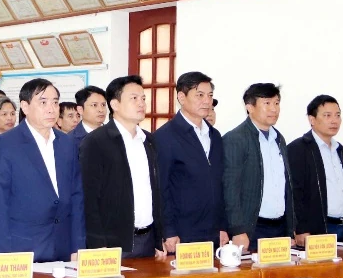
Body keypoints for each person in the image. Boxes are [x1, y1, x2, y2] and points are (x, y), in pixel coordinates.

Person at [0, 78, 84, 262]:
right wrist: (2, 256)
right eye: (43, 102)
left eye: (55, 102)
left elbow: (77, 196)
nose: (51, 109)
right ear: (25, 106)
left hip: (62, 247)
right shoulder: (4, 144)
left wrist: (77, 246)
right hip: (21, 249)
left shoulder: (67, 143)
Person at [80, 76, 165, 260]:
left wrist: (159, 239)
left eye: (143, 98)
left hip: (148, 240)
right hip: (113, 243)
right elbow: (89, 198)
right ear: (115, 104)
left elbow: (155, 192)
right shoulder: (96, 142)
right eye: (134, 98)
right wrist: (98, 244)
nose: (141, 103)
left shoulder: (149, 140)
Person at [154, 72, 228, 251]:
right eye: (200, 95)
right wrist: (168, 231)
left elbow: (221, 184)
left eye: (210, 95)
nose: (207, 101)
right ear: (181, 97)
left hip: (213, 231)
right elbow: (161, 188)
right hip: (182, 232)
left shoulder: (214, 135)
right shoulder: (165, 136)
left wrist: (223, 226)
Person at [223, 83, 295, 252]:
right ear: (250, 107)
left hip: (280, 227)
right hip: (252, 229)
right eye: (267, 103)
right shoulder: (236, 139)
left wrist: (291, 227)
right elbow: (230, 188)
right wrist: (237, 229)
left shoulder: (279, 139)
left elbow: (286, 186)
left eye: (276, 103)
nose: (274, 109)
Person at [288, 95, 343, 244]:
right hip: (315, 229)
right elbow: (294, 193)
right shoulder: (298, 149)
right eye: (327, 115)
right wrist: (300, 228)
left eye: (337, 115)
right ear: (312, 119)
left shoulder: (340, 150)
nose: (334, 121)